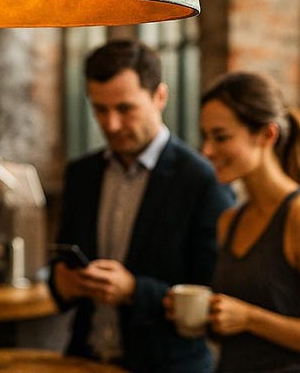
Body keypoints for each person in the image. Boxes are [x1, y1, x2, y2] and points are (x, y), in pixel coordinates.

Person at [49, 39, 234, 372]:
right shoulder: (81, 174)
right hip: (83, 359)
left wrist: (134, 291)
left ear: (160, 97)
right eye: (100, 110)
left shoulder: (203, 180)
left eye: (125, 109)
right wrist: (61, 283)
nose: (111, 125)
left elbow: (214, 294)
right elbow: (62, 263)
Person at [187, 71, 300, 371]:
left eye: (221, 136)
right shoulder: (229, 221)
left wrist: (249, 318)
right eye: (205, 136)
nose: (206, 151)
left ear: (267, 135)